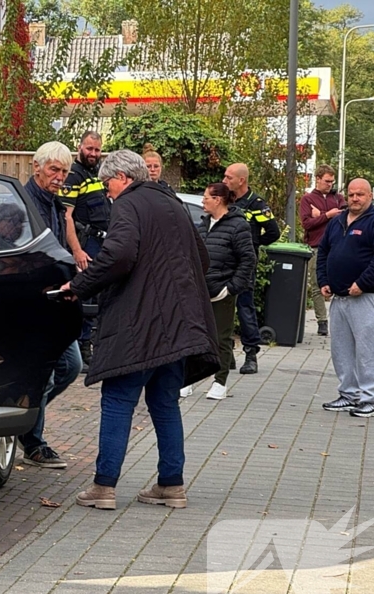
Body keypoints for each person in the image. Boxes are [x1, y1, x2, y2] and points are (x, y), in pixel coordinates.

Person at [60, 150, 218, 510]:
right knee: (165, 402)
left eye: (107, 184)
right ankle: (171, 485)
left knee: (118, 398)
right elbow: (202, 258)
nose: (106, 192)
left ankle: (104, 487)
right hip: (178, 326)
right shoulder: (173, 203)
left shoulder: (128, 205)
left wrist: (80, 286)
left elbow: (119, 255)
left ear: (123, 178)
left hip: (140, 324)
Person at [21, 141, 82, 468]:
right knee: (44, 374)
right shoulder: (21, 203)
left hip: (55, 302)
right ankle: (33, 441)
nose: (59, 177)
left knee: (70, 366)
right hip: (31, 303)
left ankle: (23, 420)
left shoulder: (57, 206)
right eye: (53, 170)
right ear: (36, 167)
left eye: (64, 171)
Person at [317, 178, 374, 418]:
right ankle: (349, 395)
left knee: (368, 349)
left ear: (370, 196)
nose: (355, 198)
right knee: (341, 350)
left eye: (360, 194)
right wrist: (324, 281)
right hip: (339, 298)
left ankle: (370, 399)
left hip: (366, 297)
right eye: (351, 194)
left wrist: (362, 283)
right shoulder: (337, 221)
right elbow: (324, 252)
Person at [182, 183, 257, 401]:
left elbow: (248, 259)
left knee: (220, 338)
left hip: (221, 292)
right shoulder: (204, 224)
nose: (203, 201)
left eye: (206, 197)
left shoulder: (238, 226)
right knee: (194, 336)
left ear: (218, 199)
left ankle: (220, 381)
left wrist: (231, 287)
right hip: (199, 291)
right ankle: (189, 379)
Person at [222, 163, 280, 375]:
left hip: (244, 263)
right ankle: (226, 354)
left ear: (241, 181)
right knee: (222, 307)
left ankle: (250, 354)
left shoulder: (256, 204)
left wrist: (253, 243)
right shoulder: (224, 200)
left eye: (228, 178)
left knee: (245, 307)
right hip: (224, 261)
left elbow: (273, 232)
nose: (224, 181)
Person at [60, 131, 111, 373]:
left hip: (100, 244)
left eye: (97, 150)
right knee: (83, 298)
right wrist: (77, 250)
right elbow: (67, 216)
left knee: (96, 299)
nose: (93, 154)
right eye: (89, 149)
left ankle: (90, 345)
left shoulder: (97, 175)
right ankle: (81, 349)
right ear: (79, 147)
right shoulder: (73, 175)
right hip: (85, 244)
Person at [298, 164, 344, 337]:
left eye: (332, 181)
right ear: (317, 179)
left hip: (338, 246)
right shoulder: (308, 199)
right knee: (317, 284)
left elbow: (345, 216)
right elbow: (307, 223)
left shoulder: (338, 198)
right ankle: (322, 321)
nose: (330, 184)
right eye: (327, 181)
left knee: (339, 283)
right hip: (316, 246)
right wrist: (328, 215)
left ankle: (339, 320)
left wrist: (321, 214)